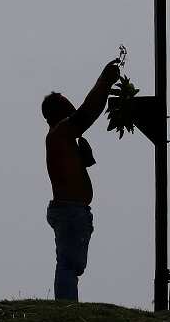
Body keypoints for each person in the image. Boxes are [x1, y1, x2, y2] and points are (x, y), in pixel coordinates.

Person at [40, 59, 119, 301]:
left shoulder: (61, 138)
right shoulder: (60, 133)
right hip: (70, 210)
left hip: (73, 209)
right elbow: (88, 112)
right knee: (68, 263)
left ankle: (67, 305)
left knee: (71, 263)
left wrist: (82, 162)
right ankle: (66, 307)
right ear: (58, 113)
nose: (73, 106)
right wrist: (104, 81)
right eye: (67, 104)